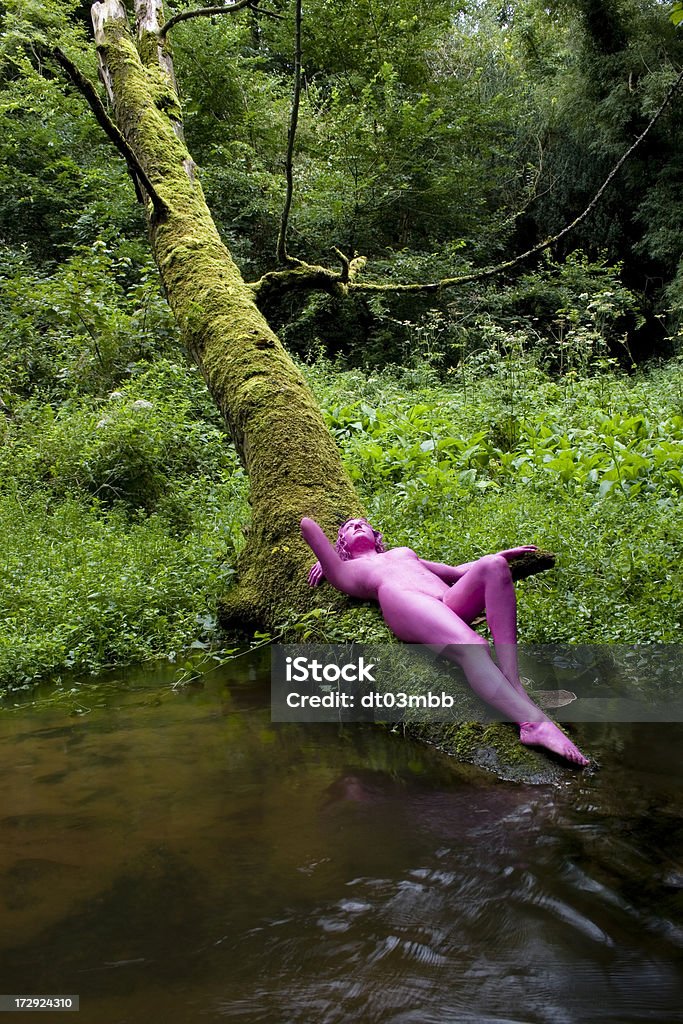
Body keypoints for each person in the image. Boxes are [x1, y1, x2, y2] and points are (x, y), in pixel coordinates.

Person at [301, 516, 589, 767]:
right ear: (341, 547)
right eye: (349, 528)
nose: (357, 526)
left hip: (446, 599)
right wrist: (326, 560)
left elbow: (454, 572)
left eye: (363, 525)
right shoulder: (347, 571)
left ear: (378, 538)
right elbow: (308, 528)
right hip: (408, 603)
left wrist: (502, 555)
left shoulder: (403, 553)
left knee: (493, 565)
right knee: (473, 646)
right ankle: (531, 724)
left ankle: (513, 683)